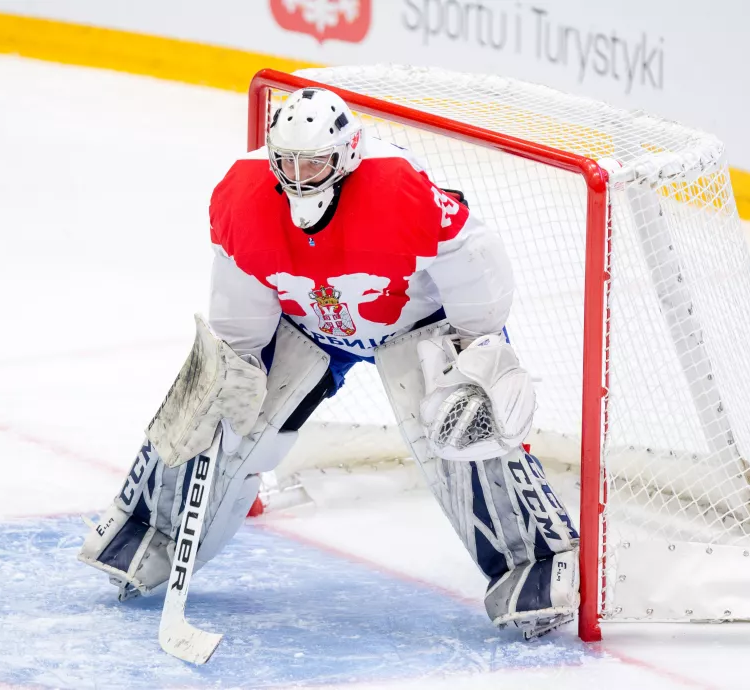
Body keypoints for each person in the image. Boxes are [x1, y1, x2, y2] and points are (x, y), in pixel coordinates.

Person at [78, 87, 580, 640]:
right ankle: (154, 528)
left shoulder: (397, 188)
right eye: (288, 162)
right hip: (308, 323)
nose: (299, 176)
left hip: (415, 321)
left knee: (465, 425)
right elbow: (240, 314)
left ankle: (536, 558)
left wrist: (477, 346)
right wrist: (235, 370)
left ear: (346, 154)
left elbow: (472, 255)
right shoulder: (243, 196)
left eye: (314, 161)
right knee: (213, 403)